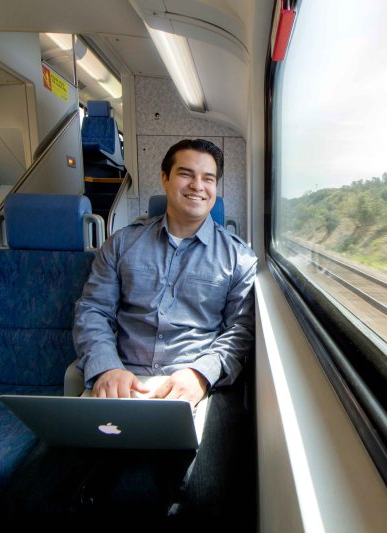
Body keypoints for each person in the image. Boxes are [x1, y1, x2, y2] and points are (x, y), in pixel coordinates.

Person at [71, 138, 258, 524]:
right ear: (165, 179)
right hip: (123, 380)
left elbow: (240, 331)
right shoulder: (122, 244)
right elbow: (92, 310)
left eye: (208, 178)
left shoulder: (239, 256)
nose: (197, 185)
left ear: (216, 188)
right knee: (43, 489)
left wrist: (199, 375)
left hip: (192, 387)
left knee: (208, 500)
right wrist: (107, 368)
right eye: (186, 174)